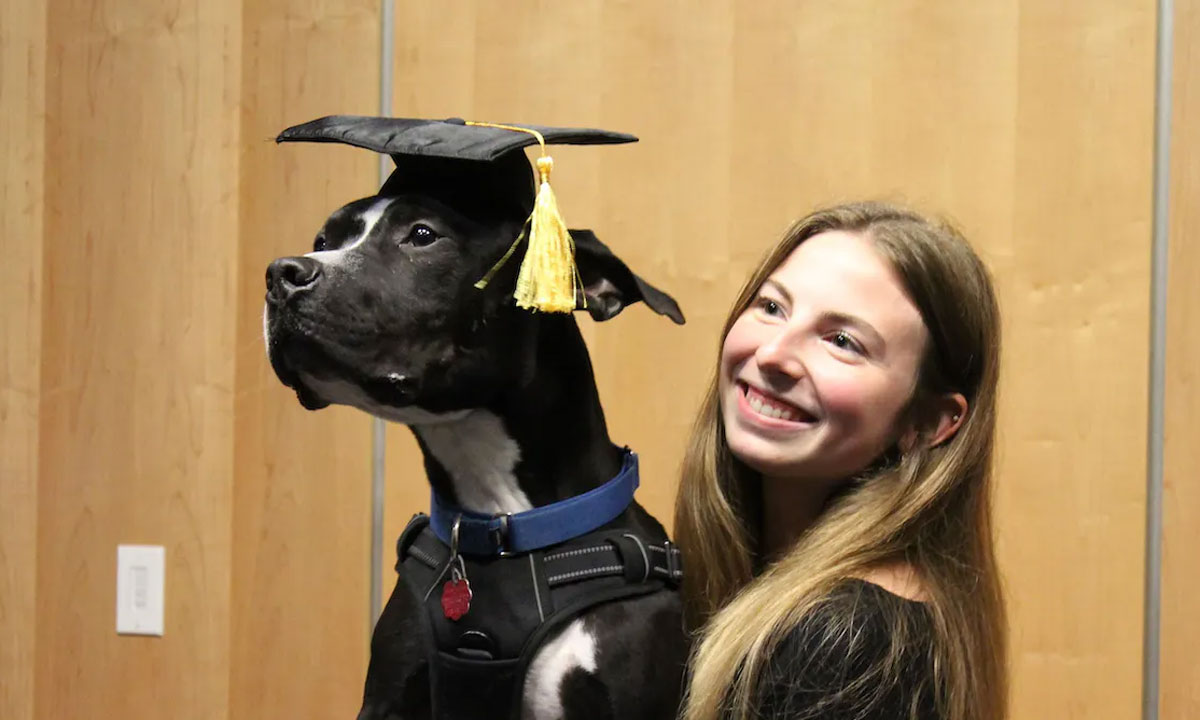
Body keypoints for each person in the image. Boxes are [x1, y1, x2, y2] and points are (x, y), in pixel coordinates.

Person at [674, 202, 1007, 720]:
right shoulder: (774, 588)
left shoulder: (850, 643)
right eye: (771, 307)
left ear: (926, 424)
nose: (772, 354)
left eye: (842, 341)